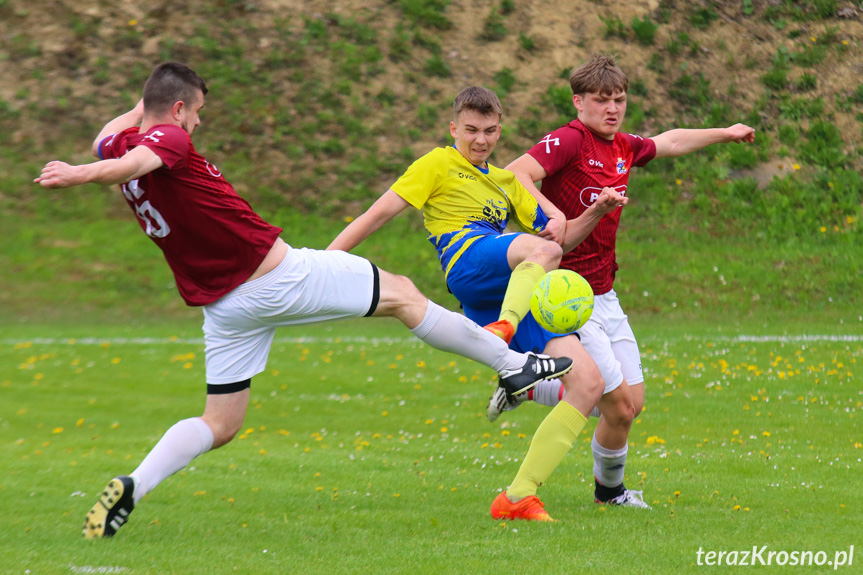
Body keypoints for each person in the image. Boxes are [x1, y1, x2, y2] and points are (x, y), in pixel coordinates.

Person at [34, 63, 577, 538]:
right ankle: (513, 367)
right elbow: (127, 164)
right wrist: (80, 176)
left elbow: (107, 142)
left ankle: (134, 484)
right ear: (177, 111)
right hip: (276, 276)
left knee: (220, 422)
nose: (198, 122)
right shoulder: (167, 142)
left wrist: (136, 109)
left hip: (223, 307)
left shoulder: (126, 137)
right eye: (195, 111)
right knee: (405, 295)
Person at [328, 86, 605, 521]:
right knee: (541, 254)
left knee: (589, 383)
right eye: (471, 130)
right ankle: (506, 335)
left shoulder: (508, 181)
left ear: (500, 129)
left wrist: (595, 211)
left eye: (490, 131)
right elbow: (376, 214)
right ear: (453, 128)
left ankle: (518, 497)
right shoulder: (437, 163)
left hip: (513, 284)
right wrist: (325, 264)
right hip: (469, 262)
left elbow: (558, 241)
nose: (481, 140)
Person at [498, 52, 756, 508]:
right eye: (601, 100)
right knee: (612, 402)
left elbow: (668, 141)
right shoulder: (570, 140)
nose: (612, 109)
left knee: (630, 406)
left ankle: (533, 384)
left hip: (606, 293)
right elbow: (516, 173)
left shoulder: (622, 146)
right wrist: (555, 214)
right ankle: (610, 493)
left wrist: (726, 133)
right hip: (567, 293)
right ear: (579, 103)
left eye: (618, 99)